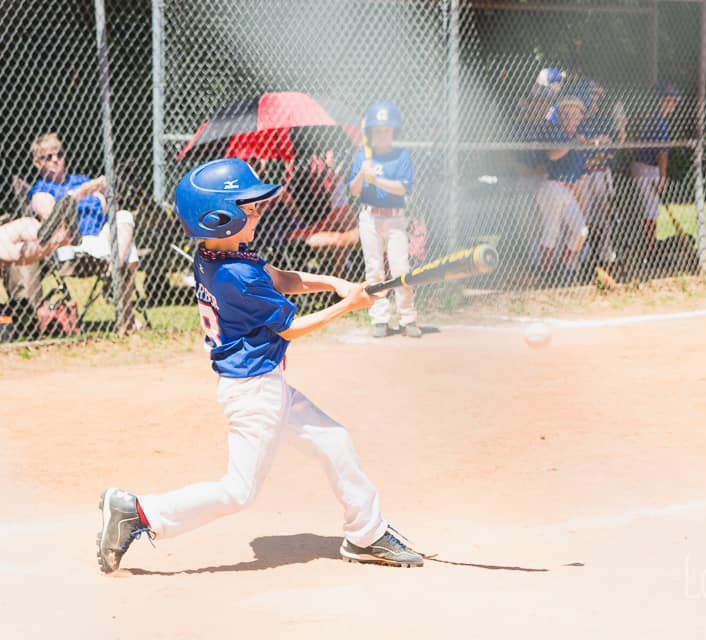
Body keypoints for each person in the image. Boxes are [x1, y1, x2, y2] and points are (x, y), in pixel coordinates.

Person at [96, 158, 424, 574]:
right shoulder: (235, 275)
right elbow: (292, 328)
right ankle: (139, 512)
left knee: (335, 442)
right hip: (255, 393)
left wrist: (335, 283)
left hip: (262, 384)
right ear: (221, 219)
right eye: (248, 208)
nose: (258, 211)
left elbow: (281, 278)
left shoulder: (218, 255)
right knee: (239, 491)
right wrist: (349, 305)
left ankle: (366, 532)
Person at [27, 132, 143, 331]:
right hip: (74, 244)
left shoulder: (80, 179)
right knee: (129, 255)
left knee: (124, 217)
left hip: (102, 239)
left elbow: (106, 209)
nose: (56, 160)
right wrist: (80, 193)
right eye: (48, 157)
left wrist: (104, 192)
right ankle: (127, 313)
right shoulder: (40, 191)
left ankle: (113, 268)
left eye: (59, 154)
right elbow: (54, 220)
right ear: (38, 164)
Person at [348, 101, 420, 338]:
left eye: (386, 129)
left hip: (395, 219)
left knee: (401, 268)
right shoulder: (362, 156)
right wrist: (362, 173)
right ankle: (380, 318)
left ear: (393, 131)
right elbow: (354, 191)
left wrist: (377, 180)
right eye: (377, 130)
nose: (382, 134)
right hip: (370, 217)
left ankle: (407, 317)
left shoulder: (401, 156)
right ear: (370, 133)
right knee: (374, 269)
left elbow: (403, 189)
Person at [535, 93, 590, 279]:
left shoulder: (578, 138)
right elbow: (553, 155)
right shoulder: (556, 132)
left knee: (581, 230)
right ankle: (546, 271)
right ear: (561, 116)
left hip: (569, 191)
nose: (571, 118)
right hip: (552, 186)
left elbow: (580, 174)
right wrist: (572, 144)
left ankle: (563, 265)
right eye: (566, 114)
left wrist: (580, 200)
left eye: (576, 114)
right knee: (552, 230)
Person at [577, 79, 627, 267]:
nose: (595, 100)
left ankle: (606, 252)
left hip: (602, 172)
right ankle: (582, 252)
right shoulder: (578, 121)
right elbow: (582, 150)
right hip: (585, 174)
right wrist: (596, 143)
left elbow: (614, 145)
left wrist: (622, 128)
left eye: (598, 96)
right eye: (592, 95)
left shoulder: (604, 120)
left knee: (606, 216)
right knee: (584, 215)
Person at [629, 84, 679, 258]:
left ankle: (648, 245)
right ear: (660, 101)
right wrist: (663, 177)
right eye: (669, 101)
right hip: (648, 169)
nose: (672, 105)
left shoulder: (647, 117)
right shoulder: (660, 121)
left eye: (674, 102)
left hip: (637, 166)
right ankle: (650, 248)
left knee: (645, 209)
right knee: (650, 211)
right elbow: (662, 154)